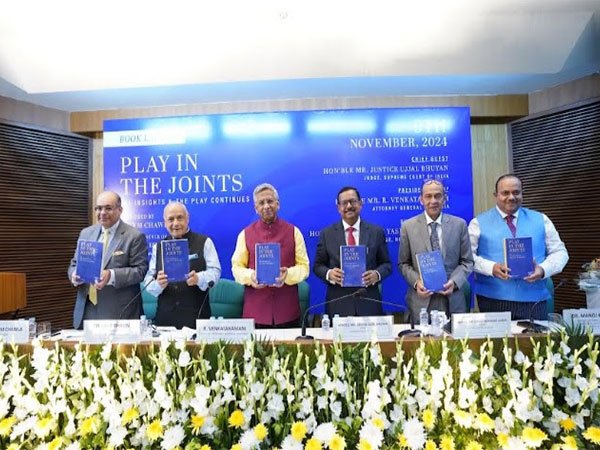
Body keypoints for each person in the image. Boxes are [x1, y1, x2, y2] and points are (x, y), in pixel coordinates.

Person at [468, 174, 569, 320]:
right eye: (505, 193)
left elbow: (560, 252)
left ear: (522, 193)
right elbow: (467, 257)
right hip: (493, 300)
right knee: (495, 343)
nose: (511, 197)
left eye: (516, 192)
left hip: (534, 300)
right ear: (496, 195)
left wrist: (542, 269)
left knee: (534, 343)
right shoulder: (477, 223)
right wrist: (491, 268)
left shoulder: (541, 219)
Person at [231, 183, 309, 328]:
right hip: (256, 312)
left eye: (270, 201)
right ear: (256, 208)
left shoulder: (294, 232)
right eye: (261, 203)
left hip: (287, 311)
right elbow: (236, 268)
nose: (266, 206)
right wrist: (251, 277)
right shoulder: (245, 234)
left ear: (277, 204)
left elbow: (304, 267)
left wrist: (288, 274)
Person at [68, 191, 148, 329]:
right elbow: (73, 264)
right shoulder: (86, 233)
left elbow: (140, 271)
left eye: (108, 208)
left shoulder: (134, 236)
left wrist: (111, 275)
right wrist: (74, 275)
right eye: (99, 208)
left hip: (118, 314)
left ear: (120, 210)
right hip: (86, 311)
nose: (102, 212)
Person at [398, 179, 474, 323]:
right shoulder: (408, 226)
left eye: (438, 196)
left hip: (453, 300)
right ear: (421, 199)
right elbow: (403, 264)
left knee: (455, 344)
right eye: (428, 196)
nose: (433, 200)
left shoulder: (459, 225)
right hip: (421, 301)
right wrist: (417, 282)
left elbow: (467, 261)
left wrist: (455, 281)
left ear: (444, 198)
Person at [313, 186, 392, 316]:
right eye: (344, 203)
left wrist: (376, 274)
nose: (349, 206)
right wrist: (329, 274)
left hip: (368, 301)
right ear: (338, 208)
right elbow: (317, 266)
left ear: (360, 204)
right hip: (338, 302)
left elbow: (387, 264)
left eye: (353, 201)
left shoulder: (376, 232)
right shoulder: (327, 234)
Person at [144, 202, 221, 328]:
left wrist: (198, 279)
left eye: (180, 217)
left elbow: (215, 273)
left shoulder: (205, 242)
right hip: (165, 320)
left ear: (188, 218)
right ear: (165, 222)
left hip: (197, 319)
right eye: (170, 219)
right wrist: (158, 284)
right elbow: (148, 280)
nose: (175, 223)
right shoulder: (158, 247)